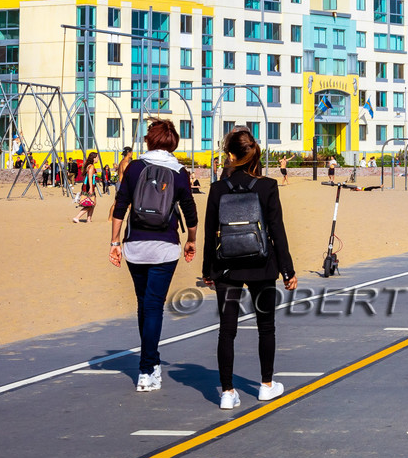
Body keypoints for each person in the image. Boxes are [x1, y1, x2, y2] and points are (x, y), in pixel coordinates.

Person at [203, 127, 297, 410]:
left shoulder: (218, 189)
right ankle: (266, 385)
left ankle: (228, 392)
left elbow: (211, 232)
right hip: (262, 264)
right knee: (265, 327)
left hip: (227, 266)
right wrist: (287, 270)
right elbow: (277, 231)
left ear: (231, 155)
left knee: (226, 330)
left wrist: (208, 269)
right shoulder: (268, 186)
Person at [109, 120, 199, 393]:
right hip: (165, 247)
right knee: (154, 306)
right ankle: (147, 368)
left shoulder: (135, 167)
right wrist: (192, 240)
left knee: (143, 304)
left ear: (149, 140)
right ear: (173, 143)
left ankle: (150, 364)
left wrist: (114, 242)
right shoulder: (180, 172)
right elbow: (190, 211)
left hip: (135, 246)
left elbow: (120, 206)